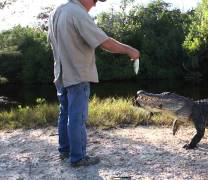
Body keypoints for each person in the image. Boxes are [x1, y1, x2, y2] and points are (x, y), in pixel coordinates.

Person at [47, 0, 140, 167]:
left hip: (61, 75)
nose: (95, 4)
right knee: (77, 117)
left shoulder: (56, 11)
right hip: (77, 75)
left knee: (65, 114)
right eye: (95, 0)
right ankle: (78, 158)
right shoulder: (77, 12)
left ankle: (65, 151)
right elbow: (104, 42)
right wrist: (129, 50)